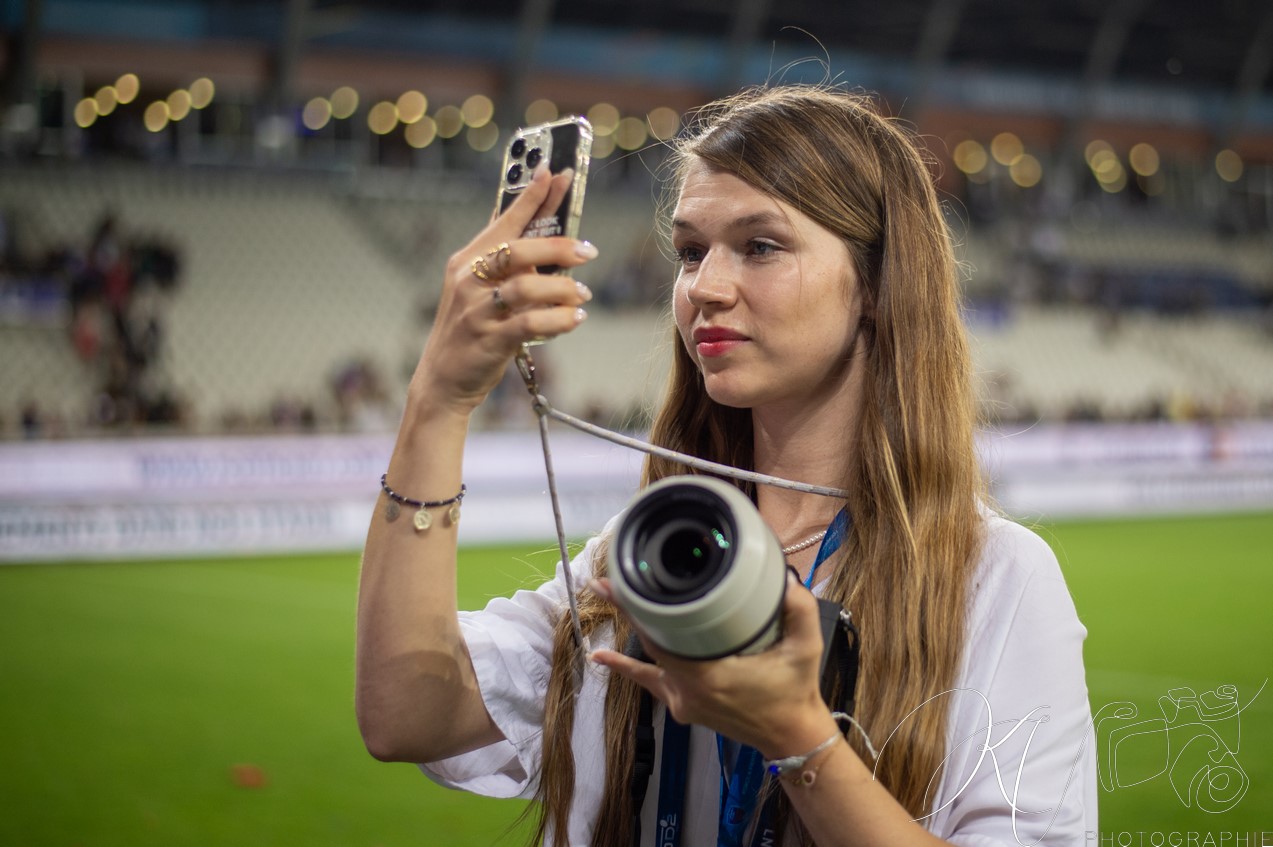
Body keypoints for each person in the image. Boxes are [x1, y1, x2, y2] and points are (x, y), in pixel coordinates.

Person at [355, 85, 1097, 846]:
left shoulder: (997, 577)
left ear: (875, 284)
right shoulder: (646, 552)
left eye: (760, 245)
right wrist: (437, 401)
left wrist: (796, 739)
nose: (703, 287)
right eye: (689, 251)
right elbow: (403, 712)